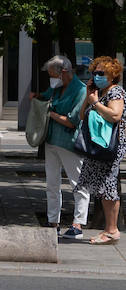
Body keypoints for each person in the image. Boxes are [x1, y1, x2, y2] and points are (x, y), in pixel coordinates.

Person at [29, 56, 90, 238]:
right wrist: (38, 98)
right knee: (52, 183)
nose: (51, 79)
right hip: (51, 141)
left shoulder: (80, 90)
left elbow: (72, 122)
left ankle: (77, 225)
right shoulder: (56, 88)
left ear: (63, 72)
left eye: (53, 75)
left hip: (69, 144)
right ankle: (53, 222)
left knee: (77, 183)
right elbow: (45, 98)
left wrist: (50, 113)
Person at [77, 56, 125, 245]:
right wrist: (89, 97)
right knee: (103, 188)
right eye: (94, 73)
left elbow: (115, 115)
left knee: (108, 186)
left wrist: (95, 103)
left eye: (100, 73)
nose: (96, 76)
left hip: (110, 146)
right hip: (97, 145)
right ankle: (109, 229)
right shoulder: (99, 93)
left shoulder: (116, 92)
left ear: (112, 75)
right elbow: (82, 116)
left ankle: (112, 230)